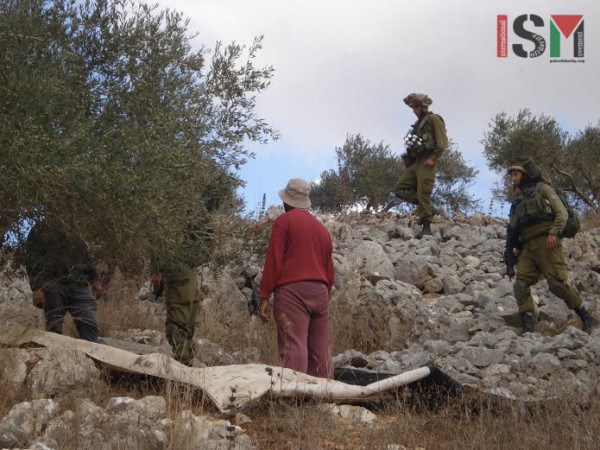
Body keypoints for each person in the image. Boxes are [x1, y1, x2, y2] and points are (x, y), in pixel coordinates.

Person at [505, 158, 598, 333]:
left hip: (547, 242)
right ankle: (528, 326)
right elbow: (514, 227)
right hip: (526, 247)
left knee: (557, 284)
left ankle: (586, 317)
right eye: (512, 175)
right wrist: (515, 247)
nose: (513, 178)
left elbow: (561, 213)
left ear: (526, 175)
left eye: (516, 174)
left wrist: (554, 233)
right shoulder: (518, 201)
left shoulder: (544, 189)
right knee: (520, 285)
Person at [259, 178, 335, 378]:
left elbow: (273, 261)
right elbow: (329, 270)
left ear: (287, 202)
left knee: (294, 344)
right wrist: (325, 294)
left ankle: (295, 393)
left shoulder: (284, 222)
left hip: (293, 292)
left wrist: (265, 295)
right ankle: (326, 390)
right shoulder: (322, 229)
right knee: (320, 348)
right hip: (320, 292)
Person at [21, 218, 103, 342]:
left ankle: (92, 353)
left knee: (89, 323)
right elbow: (32, 260)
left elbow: (85, 258)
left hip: (78, 284)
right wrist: (37, 287)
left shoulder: (74, 227)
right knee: (54, 325)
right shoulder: (40, 229)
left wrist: (95, 280)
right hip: (53, 285)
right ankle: (53, 352)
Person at [394, 93, 448, 238]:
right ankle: (428, 208)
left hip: (427, 161)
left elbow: (442, 142)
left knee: (423, 192)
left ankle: (426, 227)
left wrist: (433, 158)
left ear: (423, 107)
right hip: (417, 162)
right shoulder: (418, 124)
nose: (413, 111)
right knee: (400, 188)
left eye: (415, 107)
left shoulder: (434, 119)